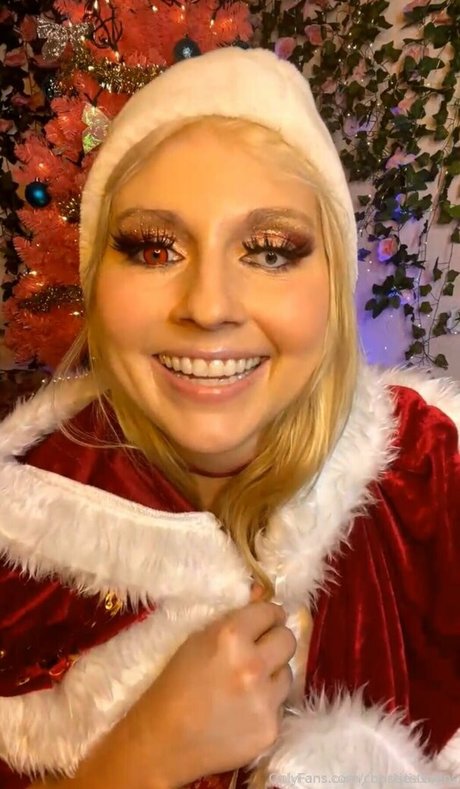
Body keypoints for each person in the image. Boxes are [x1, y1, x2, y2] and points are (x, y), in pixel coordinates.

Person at [0, 46, 458, 789]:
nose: (209, 307)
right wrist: (137, 759)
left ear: (332, 282)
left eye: (270, 251)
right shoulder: (17, 550)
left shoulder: (436, 478)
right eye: (155, 249)